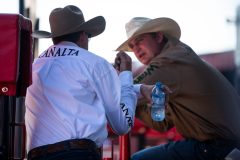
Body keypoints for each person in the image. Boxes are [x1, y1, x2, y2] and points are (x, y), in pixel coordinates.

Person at [25, 6, 153, 160]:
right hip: (78, 154)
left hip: (36, 156)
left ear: (54, 38)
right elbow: (121, 125)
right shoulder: (95, 63)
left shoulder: (34, 66)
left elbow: (71, 89)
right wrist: (125, 74)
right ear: (83, 35)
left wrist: (138, 89)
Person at [115, 17, 240, 160]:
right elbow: (162, 123)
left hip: (215, 147)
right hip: (226, 146)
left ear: (159, 36)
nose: (136, 50)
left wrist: (122, 78)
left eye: (139, 41)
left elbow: (119, 94)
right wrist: (133, 104)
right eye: (132, 46)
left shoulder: (168, 62)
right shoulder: (179, 55)